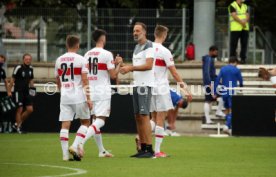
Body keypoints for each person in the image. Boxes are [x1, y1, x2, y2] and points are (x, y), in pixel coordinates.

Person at [150, 25, 192, 157]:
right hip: (161, 87)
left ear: (154, 34)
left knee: (152, 118)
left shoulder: (146, 48)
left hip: (148, 87)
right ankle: (157, 151)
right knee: (161, 119)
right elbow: (174, 72)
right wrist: (185, 88)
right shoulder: (165, 51)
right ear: (164, 35)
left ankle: (140, 138)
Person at [78, 29, 122, 158]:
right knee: (101, 120)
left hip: (90, 90)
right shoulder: (107, 54)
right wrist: (118, 64)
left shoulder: (86, 54)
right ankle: (80, 142)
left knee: (94, 120)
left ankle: (101, 151)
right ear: (102, 39)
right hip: (102, 90)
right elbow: (113, 75)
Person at [119, 22, 155, 158]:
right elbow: (136, 66)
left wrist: (130, 68)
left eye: (138, 31)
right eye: (134, 31)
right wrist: (122, 64)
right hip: (136, 85)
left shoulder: (149, 45)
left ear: (144, 32)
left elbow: (149, 65)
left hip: (145, 85)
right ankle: (142, 148)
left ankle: (149, 150)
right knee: (138, 116)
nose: (135, 33)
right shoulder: (136, 47)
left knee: (145, 116)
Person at [55, 35, 92, 161]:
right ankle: (75, 145)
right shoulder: (81, 59)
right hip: (79, 96)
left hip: (65, 96)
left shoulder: (59, 60)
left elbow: (57, 81)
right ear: (77, 45)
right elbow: (85, 80)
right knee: (86, 122)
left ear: (66, 45)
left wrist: (63, 92)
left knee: (65, 125)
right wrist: (89, 98)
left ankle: (65, 156)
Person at [214, 56, 243, 134]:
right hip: (232, 92)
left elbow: (217, 80)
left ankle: (229, 128)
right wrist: (241, 88)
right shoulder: (236, 70)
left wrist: (215, 92)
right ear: (235, 62)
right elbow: (240, 81)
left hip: (224, 92)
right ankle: (227, 126)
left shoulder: (223, 69)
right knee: (232, 110)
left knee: (227, 110)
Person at [8, 53, 35, 134]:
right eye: (26, 59)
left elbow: (31, 80)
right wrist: (9, 91)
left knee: (30, 110)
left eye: (29, 59)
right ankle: (19, 128)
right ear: (23, 60)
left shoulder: (31, 68)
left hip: (26, 92)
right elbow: (12, 80)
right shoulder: (18, 67)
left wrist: (33, 89)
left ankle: (16, 124)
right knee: (19, 109)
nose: (28, 61)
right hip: (18, 91)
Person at [202, 46, 225, 124]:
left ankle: (210, 117)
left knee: (209, 100)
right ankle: (215, 113)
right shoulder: (208, 59)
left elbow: (210, 72)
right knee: (209, 100)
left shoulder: (209, 59)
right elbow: (207, 72)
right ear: (211, 51)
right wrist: (209, 83)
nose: (216, 53)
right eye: (215, 52)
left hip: (211, 82)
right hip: (210, 83)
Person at [0, 55, 10, 132]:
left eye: (2, 61)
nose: (1, 62)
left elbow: (6, 82)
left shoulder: (2, 71)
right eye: (0, 60)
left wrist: (8, 91)